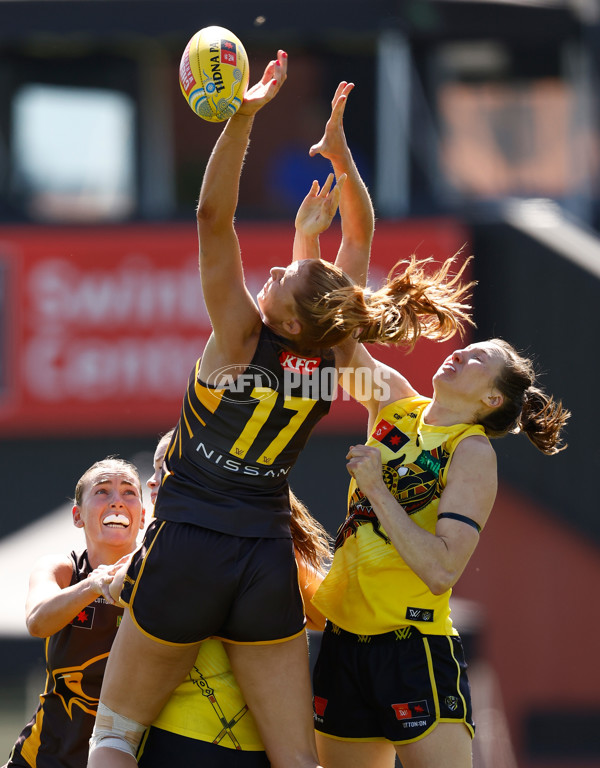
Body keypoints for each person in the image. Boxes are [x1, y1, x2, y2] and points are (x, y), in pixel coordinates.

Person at [88, 50, 473, 768]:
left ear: (287, 318)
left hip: (190, 547)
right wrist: (342, 158)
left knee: (113, 737)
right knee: (296, 761)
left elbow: (212, 216)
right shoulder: (331, 354)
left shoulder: (238, 340)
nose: (270, 268)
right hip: (266, 561)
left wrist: (243, 116)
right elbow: (356, 244)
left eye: (282, 276)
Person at [310, 338, 570, 768]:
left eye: (478, 358)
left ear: (492, 397)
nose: (461, 354)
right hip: (342, 642)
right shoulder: (395, 402)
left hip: (412, 648)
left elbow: (441, 569)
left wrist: (375, 487)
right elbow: (342, 342)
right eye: (469, 349)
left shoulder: (472, 452)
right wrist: (312, 271)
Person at [137, 430, 330, 767]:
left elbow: (327, 614)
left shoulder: (260, 552)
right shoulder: (146, 548)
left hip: (234, 745)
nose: (152, 482)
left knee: (111, 737)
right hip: (186, 739)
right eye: (153, 471)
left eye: (164, 468)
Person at [3, 458, 145, 768]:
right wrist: (95, 584)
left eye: (128, 492)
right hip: (48, 752)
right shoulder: (63, 569)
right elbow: (38, 621)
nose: (117, 501)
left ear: (143, 516)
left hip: (131, 752)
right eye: (103, 491)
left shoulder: (160, 574)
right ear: (78, 516)